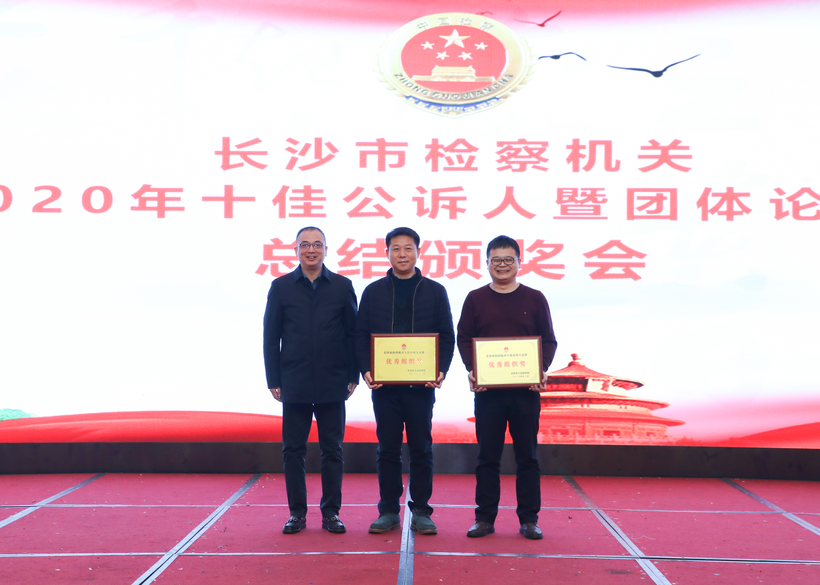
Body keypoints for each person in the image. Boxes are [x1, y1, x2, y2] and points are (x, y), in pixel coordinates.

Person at [456, 235, 557, 540]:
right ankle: (484, 518)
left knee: (527, 457)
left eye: (508, 259)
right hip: (488, 394)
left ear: (519, 262)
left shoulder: (535, 298)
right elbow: (464, 338)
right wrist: (473, 369)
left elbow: (549, 340)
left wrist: (540, 369)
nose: (502, 265)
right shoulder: (475, 298)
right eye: (496, 259)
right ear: (487, 263)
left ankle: (529, 519)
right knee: (488, 457)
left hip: (526, 393)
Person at [356, 227, 455, 535]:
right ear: (387, 253)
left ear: (418, 252)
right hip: (384, 387)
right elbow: (360, 334)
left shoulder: (435, 291)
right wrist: (365, 368)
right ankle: (388, 511)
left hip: (420, 387)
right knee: (387, 449)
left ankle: (422, 511)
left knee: (421, 448)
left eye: (408, 248)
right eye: (396, 249)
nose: (402, 254)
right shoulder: (373, 291)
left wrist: (441, 369)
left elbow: (446, 334)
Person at [263, 226, 358, 535]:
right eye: (305, 245)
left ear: (326, 250)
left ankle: (331, 513)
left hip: (333, 380)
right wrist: (273, 377)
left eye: (317, 244)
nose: (311, 250)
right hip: (294, 379)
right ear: (296, 251)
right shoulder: (281, 287)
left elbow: (352, 334)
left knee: (333, 450)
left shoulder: (342, 286)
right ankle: (297, 514)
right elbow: (270, 336)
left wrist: (353, 374)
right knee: (293, 450)